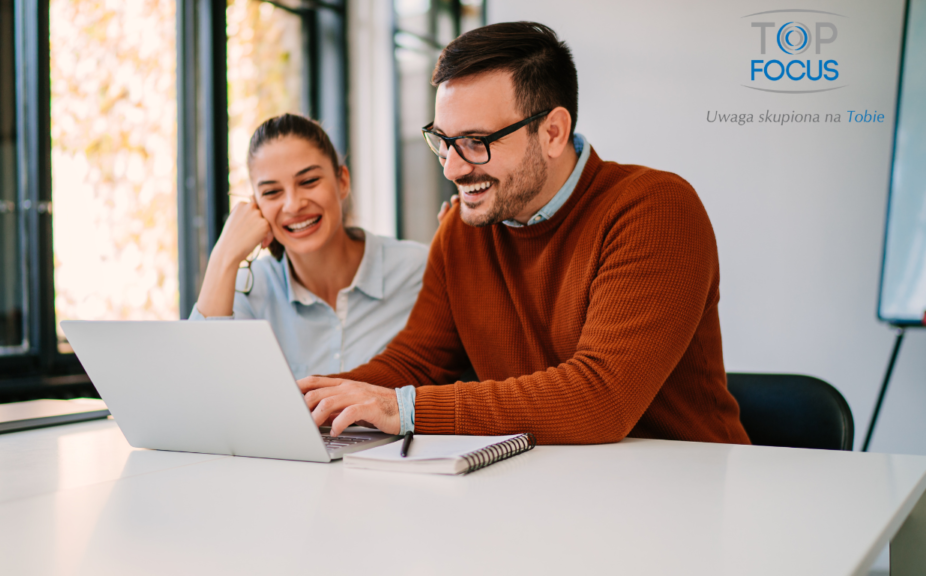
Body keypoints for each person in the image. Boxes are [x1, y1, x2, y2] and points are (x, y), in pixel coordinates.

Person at [300, 22, 751, 446]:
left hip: (687, 494)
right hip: (544, 491)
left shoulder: (654, 209)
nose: (453, 168)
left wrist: (403, 408)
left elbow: (601, 398)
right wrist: (313, 402)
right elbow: (417, 363)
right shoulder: (463, 228)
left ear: (553, 132)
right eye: (443, 141)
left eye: (477, 142)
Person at [190, 114, 428, 379]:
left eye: (308, 181)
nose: (293, 205)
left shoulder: (419, 270)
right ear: (256, 205)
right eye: (271, 192)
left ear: (342, 182)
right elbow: (199, 383)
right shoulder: (249, 288)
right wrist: (224, 255)